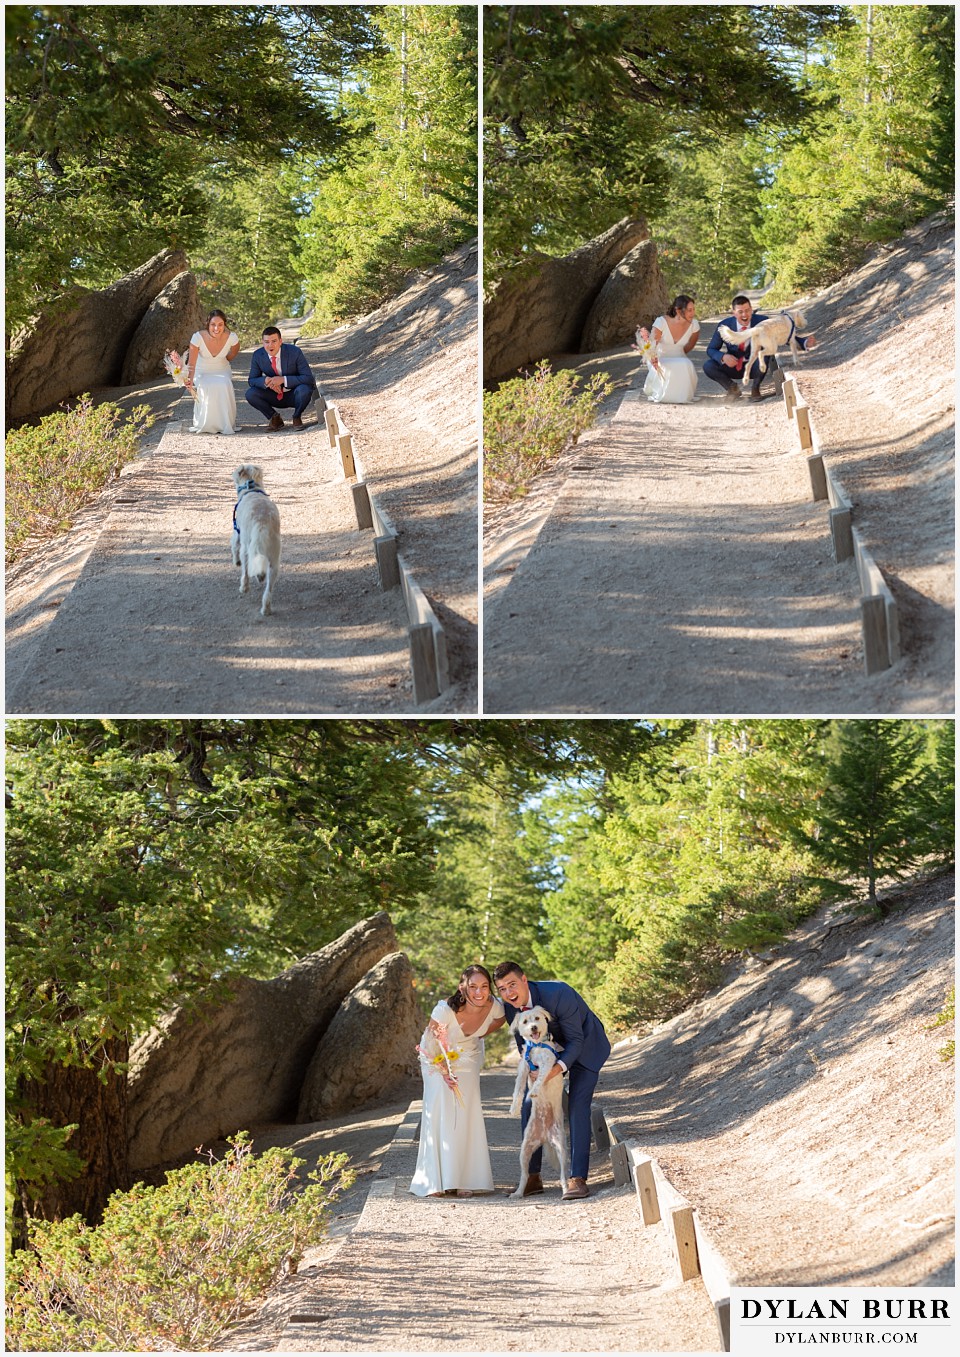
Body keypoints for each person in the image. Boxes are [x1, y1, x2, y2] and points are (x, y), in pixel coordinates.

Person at [493, 961, 611, 1201]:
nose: (508, 993)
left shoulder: (559, 994)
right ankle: (532, 1177)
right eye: (502, 989)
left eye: (512, 985)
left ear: (524, 980)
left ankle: (578, 1178)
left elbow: (576, 1040)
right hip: (547, 1054)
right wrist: (534, 1068)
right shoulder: (510, 1008)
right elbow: (522, 1042)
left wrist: (555, 1070)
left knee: (578, 1105)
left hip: (586, 1048)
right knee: (531, 1102)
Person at [409, 964, 506, 1199]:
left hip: (468, 1057)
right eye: (473, 986)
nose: (479, 992)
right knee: (441, 1107)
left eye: (484, 986)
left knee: (466, 1111)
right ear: (462, 987)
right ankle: (435, 1181)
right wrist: (441, 1068)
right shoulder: (444, 1010)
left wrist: (480, 1034)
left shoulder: (495, 1006)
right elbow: (429, 1042)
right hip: (435, 1057)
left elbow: (501, 1020)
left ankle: (464, 1178)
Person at [704, 294, 817, 404]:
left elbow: (784, 335)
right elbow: (711, 349)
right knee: (708, 366)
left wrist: (804, 342)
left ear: (752, 309)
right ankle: (732, 389)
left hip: (756, 366)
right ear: (734, 313)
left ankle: (755, 388)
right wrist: (723, 357)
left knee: (766, 352)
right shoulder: (724, 325)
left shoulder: (763, 321)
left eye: (747, 310)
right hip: (734, 366)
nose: (745, 315)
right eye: (740, 312)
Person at [245, 326, 323, 431]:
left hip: (294, 394)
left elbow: (308, 378)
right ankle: (275, 418)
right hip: (273, 394)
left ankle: (297, 416)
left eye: (274, 341)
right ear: (262, 342)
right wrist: (266, 381)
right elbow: (252, 380)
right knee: (251, 393)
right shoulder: (258, 355)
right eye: (266, 342)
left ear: (280, 341)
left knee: (305, 389)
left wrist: (283, 380)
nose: (270, 345)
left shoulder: (294, 352)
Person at [186, 310, 241, 435]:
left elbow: (234, 351)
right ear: (207, 324)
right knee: (206, 385)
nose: (217, 328)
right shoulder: (197, 337)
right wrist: (189, 380)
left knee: (223, 383)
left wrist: (225, 359)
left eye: (220, 324)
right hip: (202, 371)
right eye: (213, 324)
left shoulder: (231, 337)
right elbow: (192, 363)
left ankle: (226, 424)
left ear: (224, 324)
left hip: (222, 369)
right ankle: (205, 424)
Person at [643, 294, 700, 404]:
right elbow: (652, 344)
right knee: (681, 364)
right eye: (689, 310)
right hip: (659, 357)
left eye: (693, 309)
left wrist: (680, 353)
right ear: (678, 311)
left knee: (685, 363)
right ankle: (665, 395)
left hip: (680, 356)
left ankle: (683, 396)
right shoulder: (661, 322)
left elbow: (691, 344)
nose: (693, 313)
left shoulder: (694, 324)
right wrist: (653, 358)